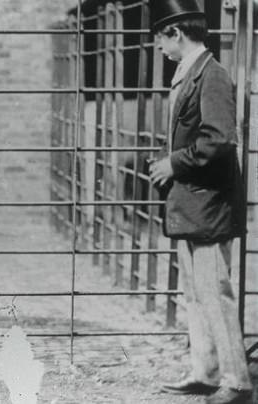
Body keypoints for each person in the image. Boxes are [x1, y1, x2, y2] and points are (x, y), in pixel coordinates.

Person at [148, 1, 253, 403]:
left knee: (214, 291)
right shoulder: (191, 72)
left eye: (161, 38)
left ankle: (238, 381)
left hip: (209, 203)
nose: (159, 47)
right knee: (196, 292)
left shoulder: (212, 75)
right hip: (194, 202)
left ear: (176, 34)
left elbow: (219, 141)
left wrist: (173, 164)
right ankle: (206, 372)